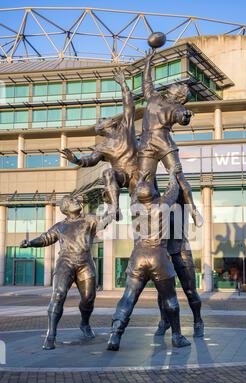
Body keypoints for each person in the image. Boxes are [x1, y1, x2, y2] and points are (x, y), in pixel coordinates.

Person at [107, 171, 191, 351]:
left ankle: (115, 334)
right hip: (158, 256)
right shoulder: (162, 205)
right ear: (154, 194)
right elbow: (173, 190)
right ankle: (176, 335)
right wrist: (171, 175)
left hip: (137, 256)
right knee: (170, 298)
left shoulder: (134, 207)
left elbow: (137, 192)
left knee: (128, 298)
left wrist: (141, 182)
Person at [20, 195, 112, 350]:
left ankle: (84, 323)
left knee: (88, 299)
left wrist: (112, 212)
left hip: (85, 263)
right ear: (65, 208)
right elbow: (45, 238)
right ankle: (51, 335)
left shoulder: (89, 219)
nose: (76, 201)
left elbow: (102, 223)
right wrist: (30, 243)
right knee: (58, 295)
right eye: (71, 200)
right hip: (65, 263)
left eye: (75, 200)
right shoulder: (60, 226)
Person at [61, 68, 139, 221]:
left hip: (138, 171)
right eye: (103, 119)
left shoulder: (126, 128)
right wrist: (76, 160)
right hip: (121, 175)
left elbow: (129, 107)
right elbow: (91, 160)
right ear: (103, 128)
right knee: (107, 173)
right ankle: (115, 208)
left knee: (142, 202)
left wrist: (123, 84)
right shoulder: (102, 147)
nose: (107, 117)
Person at [138, 49, 202, 227]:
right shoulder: (154, 96)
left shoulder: (177, 108)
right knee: (143, 182)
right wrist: (148, 62)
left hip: (165, 145)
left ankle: (194, 211)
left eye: (178, 86)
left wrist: (186, 115)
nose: (174, 85)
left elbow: (183, 118)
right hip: (146, 145)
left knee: (179, 178)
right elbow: (147, 82)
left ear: (180, 96)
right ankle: (146, 221)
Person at [155, 189, 204, 338]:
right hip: (165, 252)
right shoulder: (160, 205)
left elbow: (183, 184)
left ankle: (198, 321)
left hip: (181, 250)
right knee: (162, 293)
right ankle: (164, 321)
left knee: (190, 290)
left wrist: (175, 173)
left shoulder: (180, 203)